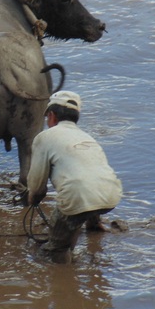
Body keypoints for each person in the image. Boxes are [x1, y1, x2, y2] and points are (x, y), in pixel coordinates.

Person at [26, 91, 122, 263]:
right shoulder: (87, 137)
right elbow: (93, 174)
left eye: (48, 117)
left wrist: (33, 199)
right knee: (85, 187)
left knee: (55, 249)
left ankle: (65, 279)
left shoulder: (44, 137)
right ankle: (94, 224)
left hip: (78, 196)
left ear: (52, 116)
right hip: (111, 195)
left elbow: (37, 184)